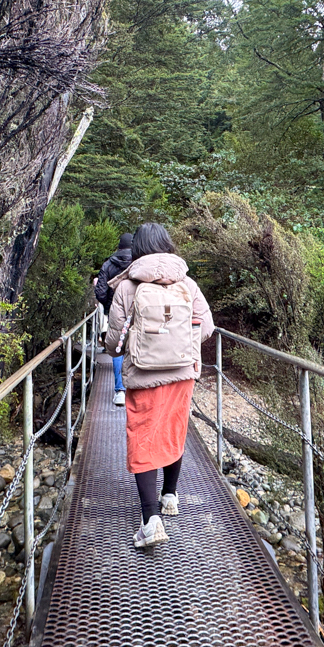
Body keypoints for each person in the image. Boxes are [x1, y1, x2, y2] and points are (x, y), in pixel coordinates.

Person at [104, 223, 214, 548]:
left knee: (143, 437)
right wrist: (180, 346)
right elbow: (206, 326)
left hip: (142, 375)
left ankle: (150, 521)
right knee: (173, 430)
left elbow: (114, 340)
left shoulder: (126, 287)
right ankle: (170, 496)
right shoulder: (187, 284)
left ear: (138, 249)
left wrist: (117, 349)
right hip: (182, 374)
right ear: (167, 245)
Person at [95, 233, 133, 406]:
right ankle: (137, 388)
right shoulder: (139, 263)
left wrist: (110, 305)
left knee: (118, 347)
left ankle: (120, 391)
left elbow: (100, 292)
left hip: (115, 312)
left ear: (119, 246)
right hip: (137, 311)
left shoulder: (108, 264)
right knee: (136, 345)